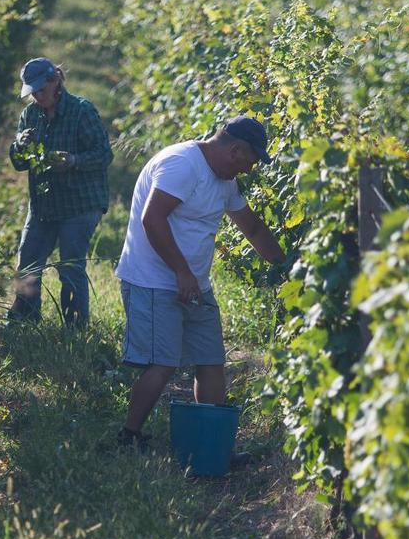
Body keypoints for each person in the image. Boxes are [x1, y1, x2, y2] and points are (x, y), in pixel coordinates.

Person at [114, 115, 285, 451]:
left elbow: (252, 229)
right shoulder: (182, 165)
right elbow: (153, 218)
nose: (248, 171)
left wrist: (286, 267)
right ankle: (128, 436)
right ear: (235, 150)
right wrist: (181, 271)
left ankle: (211, 444)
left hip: (194, 283)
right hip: (153, 280)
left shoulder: (225, 182)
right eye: (249, 162)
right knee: (162, 363)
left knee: (210, 360)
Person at [7, 57, 113, 328]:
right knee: (28, 264)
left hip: (80, 203)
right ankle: (25, 323)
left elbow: (103, 154)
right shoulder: (30, 116)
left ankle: (75, 329)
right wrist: (19, 145)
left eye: (41, 90)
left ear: (55, 82)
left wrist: (74, 161)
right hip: (44, 204)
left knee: (70, 268)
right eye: (32, 92)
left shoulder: (81, 111)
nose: (37, 97)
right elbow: (20, 163)